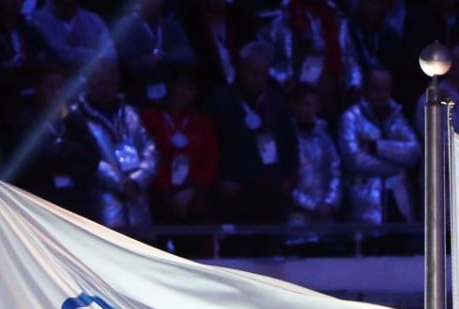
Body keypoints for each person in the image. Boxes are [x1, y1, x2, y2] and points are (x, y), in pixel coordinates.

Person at [204, 40, 300, 226]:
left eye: (262, 74)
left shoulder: (277, 102)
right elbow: (207, 147)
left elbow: (290, 144)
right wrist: (219, 179)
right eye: (252, 73)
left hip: (272, 192)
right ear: (241, 69)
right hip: (234, 192)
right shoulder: (219, 102)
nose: (257, 78)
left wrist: (289, 178)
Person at [8, 62, 101, 220]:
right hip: (39, 194)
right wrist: (71, 150)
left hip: (74, 194)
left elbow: (93, 154)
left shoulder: (73, 118)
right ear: (38, 89)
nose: (55, 92)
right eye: (50, 87)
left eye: (60, 87)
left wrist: (60, 151)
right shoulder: (25, 120)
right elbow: (35, 160)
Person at [75, 59, 159, 230]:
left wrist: (137, 181)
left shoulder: (130, 114)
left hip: (137, 203)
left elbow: (150, 151)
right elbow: (86, 159)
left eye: (111, 83)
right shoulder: (77, 116)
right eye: (101, 83)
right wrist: (120, 183)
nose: (106, 89)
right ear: (89, 82)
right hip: (102, 205)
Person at [337, 66, 420, 224]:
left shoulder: (397, 116)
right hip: (365, 203)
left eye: (386, 89)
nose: (382, 94)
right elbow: (355, 160)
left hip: (398, 201)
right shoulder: (351, 118)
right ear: (366, 89)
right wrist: (397, 165)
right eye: (376, 89)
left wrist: (377, 147)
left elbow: (414, 151)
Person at [140, 67, 218, 227]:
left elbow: (211, 160)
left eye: (190, 88)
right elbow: (146, 158)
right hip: (157, 200)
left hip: (194, 201)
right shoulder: (148, 118)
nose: (183, 92)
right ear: (169, 87)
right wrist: (168, 195)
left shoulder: (202, 123)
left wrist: (192, 190)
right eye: (180, 85)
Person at [0, 0, 51, 148]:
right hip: (1, 107)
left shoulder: (30, 31)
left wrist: (18, 66)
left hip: (35, 102)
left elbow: (44, 62)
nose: (15, 2)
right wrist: (25, 68)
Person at [262, 0, 362, 118]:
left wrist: (354, 83)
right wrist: (280, 78)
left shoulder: (336, 17)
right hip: (292, 94)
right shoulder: (282, 18)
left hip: (329, 94)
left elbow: (349, 57)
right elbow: (262, 57)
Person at [116, 0, 197, 108]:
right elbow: (132, 66)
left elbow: (188, 56)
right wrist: (168, 58)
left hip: (170, 96)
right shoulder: (126, 26)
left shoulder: (171, 25)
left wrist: (159, 58)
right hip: (137, 96)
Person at [289, 82, 343, 226]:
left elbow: (335, 169)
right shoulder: (286, 134)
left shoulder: (324, 132)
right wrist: (311, 206)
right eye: (306, 104)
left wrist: (330, 202)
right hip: (297, 218)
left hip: (326, 215)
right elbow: (285, 179)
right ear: (295, 105)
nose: (310, 110)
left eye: (314, 105)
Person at [28, 0, 116, 72]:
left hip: (94, 80)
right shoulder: (38, 20)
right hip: (58, 84)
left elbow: (110, 54)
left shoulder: (94, 20)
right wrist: (95, 57)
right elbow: (58, 51)